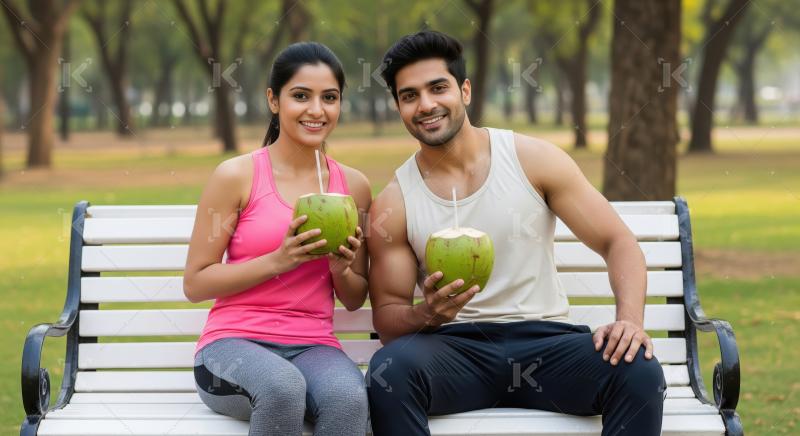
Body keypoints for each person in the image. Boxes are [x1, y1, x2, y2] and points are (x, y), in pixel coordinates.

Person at [366, 31, 667, 436]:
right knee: (390, 373)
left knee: (638, 370)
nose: (426, 105)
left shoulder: (532, 159)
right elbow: (386, 318)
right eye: (409, 96)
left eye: (438, 88)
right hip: (455, 351)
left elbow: (619, 243)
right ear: (399, 106)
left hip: (547, 344)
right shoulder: (395, 201)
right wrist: (428, 314)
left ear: (465, 90)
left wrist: (629, 321)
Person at [184, 42, 371, 436]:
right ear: (274, 100)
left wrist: (341, 269)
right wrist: (278, 260)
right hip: (232, 343)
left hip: (313, 345)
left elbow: (354, 297)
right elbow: (196, 282)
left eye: (329, 98)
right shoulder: (236, 176)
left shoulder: (353, 186)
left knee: (349, 399)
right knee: (283, 388)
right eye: (301, 96)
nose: (316, 110)